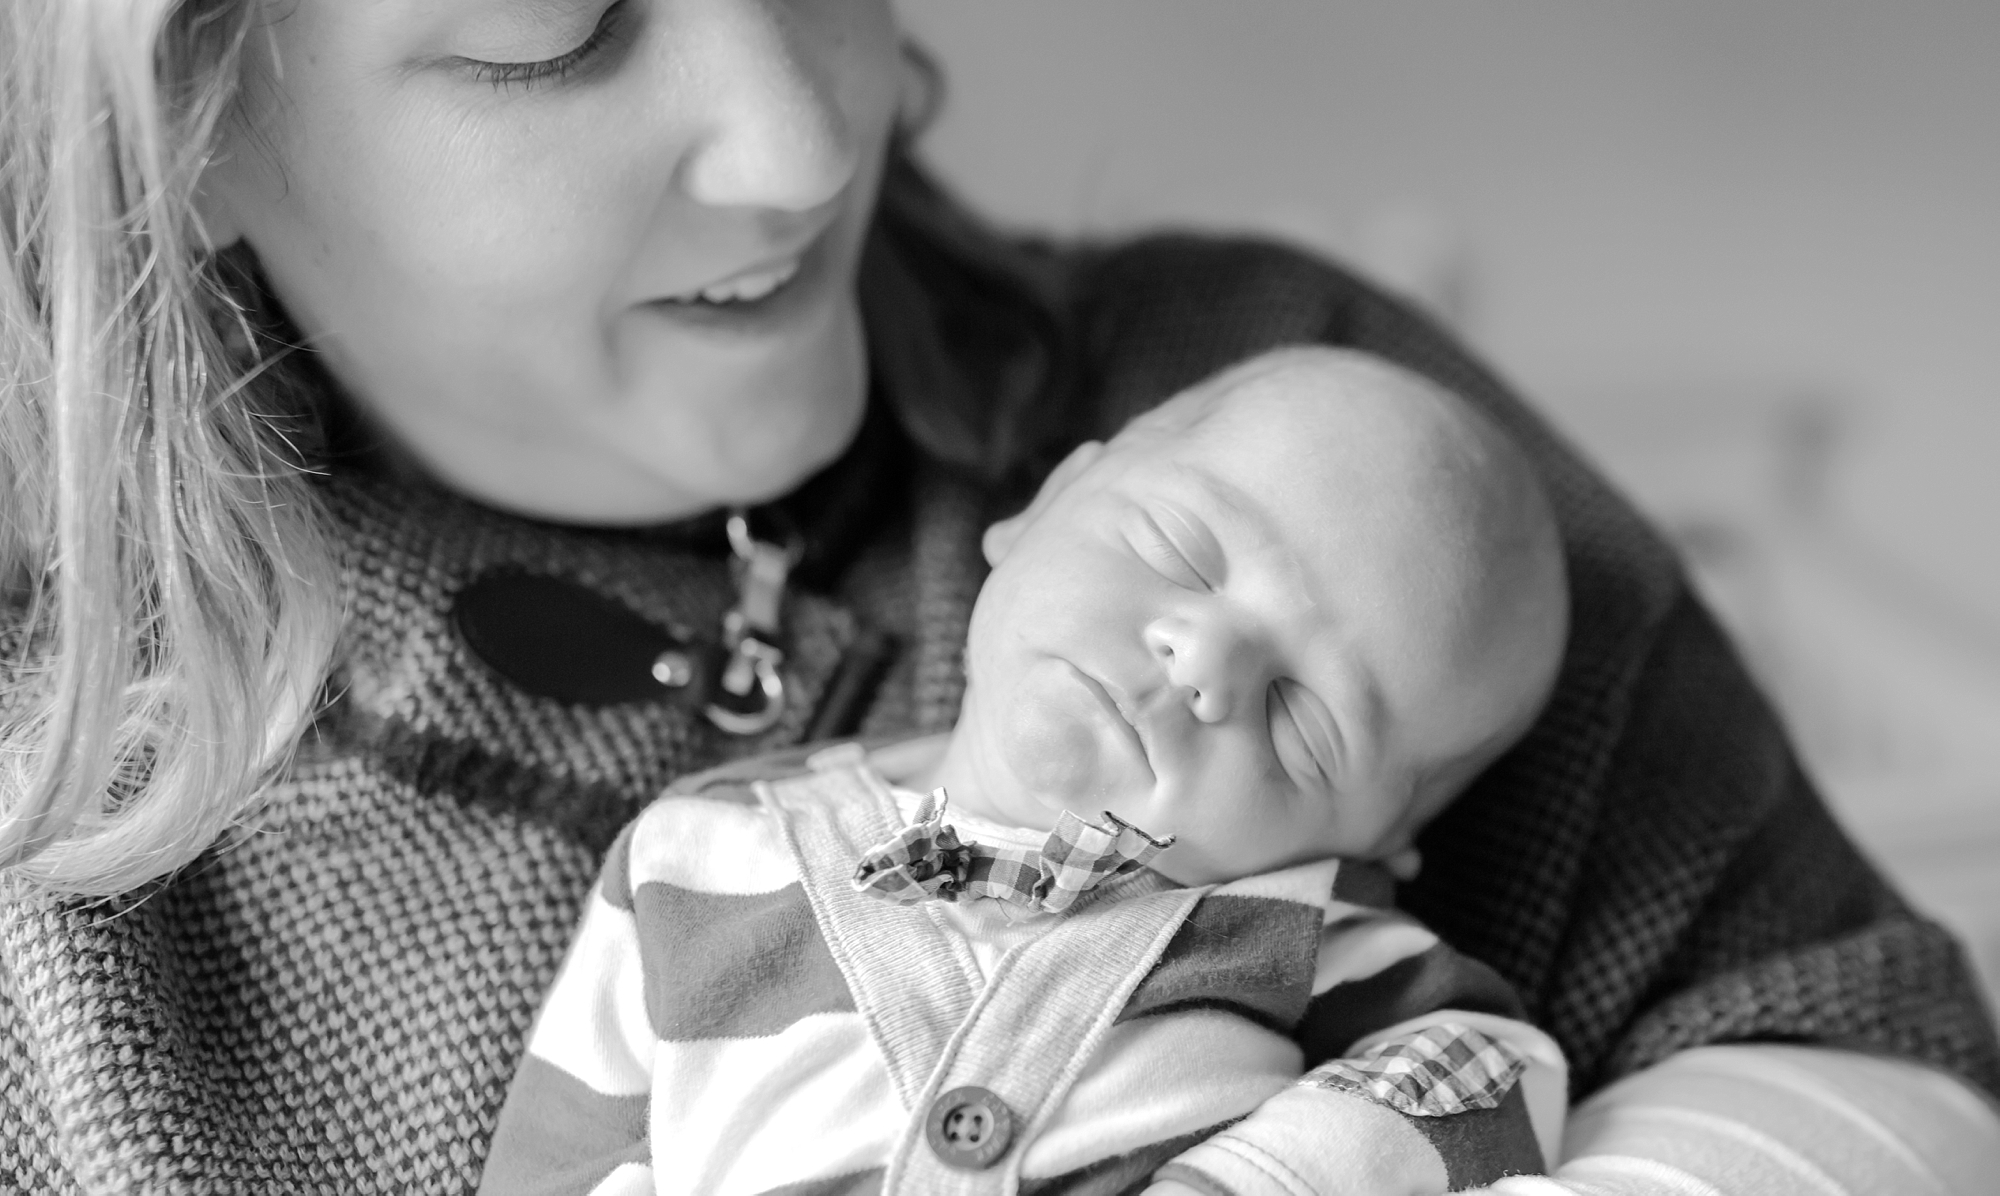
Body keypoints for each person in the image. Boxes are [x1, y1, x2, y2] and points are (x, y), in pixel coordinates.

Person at [0, 0, 1995, 1193]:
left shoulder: (1312, 426)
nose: (799, 140)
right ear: (184, 114)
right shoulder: (69, 889)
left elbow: (1850, 1044)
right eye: (550, 33)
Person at [479, 347, 1575, 1195]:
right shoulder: (701, 855)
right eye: (1177, 552)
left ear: (1373, 838)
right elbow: (562, 1152)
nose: (1203, 662)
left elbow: (1492, 1076)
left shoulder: (1298, 939)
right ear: (1045, 504)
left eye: (1304, 719)